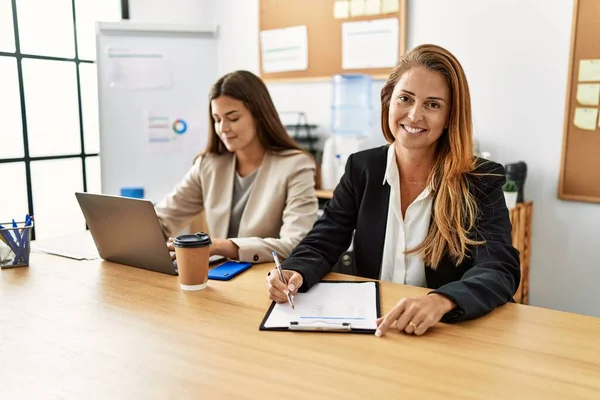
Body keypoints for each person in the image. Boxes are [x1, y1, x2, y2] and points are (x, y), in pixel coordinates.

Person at [266, 44, 520, 336]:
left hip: (446, 332)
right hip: (379, 327)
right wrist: (294, 271)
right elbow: (324, 239)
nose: (414, 115)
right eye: (405, 98)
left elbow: (499, 268)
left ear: (451, 117)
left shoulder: (480, 180)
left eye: (433, 104)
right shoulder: (362, 168)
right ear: (388, 101)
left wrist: (442, 300)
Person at [155, 70, 318, 263]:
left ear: (259, 116)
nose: (223, 128)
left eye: (233, 118)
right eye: (217, 119)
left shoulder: (296, 166)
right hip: (218, 278)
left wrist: (221, 247)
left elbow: (296, 243)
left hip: (266, 280)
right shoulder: (209, 164)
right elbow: (164, 218)